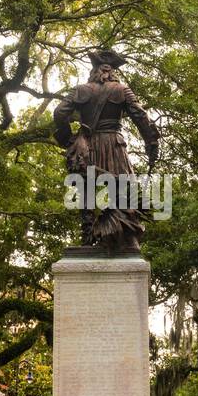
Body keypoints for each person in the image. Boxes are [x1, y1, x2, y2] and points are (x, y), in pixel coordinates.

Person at [52, 48, 160, 254]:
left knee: (86, 191)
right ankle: (125, 237)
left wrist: (69, 138)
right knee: (123, 188)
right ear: (111, 71)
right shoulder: (122, 90)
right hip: (113, 144)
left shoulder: (80, 90)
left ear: (95, 70)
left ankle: (87, 239)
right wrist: (151, 142)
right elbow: (140, 116)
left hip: (87, 146)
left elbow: (59, 113)